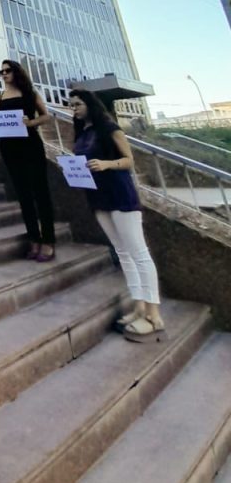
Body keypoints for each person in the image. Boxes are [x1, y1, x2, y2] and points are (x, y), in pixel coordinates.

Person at [69, 89, 166, 342]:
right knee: (122, 252)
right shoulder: (82, 133)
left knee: (139, 253)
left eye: (78, 104)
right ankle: (139, 306)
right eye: (71, 105)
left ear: (90, 104)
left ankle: (154, 314)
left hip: (119, 194)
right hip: (97, 196)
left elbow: (129, 160)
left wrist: (106, 164)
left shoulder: (108, 127)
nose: (74, 109)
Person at [0, 59, 55, 261]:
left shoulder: (30, 93)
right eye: (1, 71)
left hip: (31, 145)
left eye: (7, 70)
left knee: (41, 193)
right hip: (10, 148)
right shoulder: (0, 95)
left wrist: (31, 122)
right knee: (23, 195)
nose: (4, 74)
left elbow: (46, 116)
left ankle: (48, 240)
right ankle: (34, 239)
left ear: (16, 72)